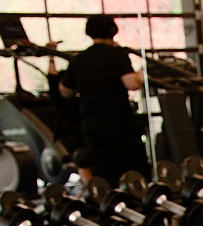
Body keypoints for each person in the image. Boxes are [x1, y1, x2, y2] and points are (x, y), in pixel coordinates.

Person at [59, 15, 149, 185]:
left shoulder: (79, 58)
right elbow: (132, 84)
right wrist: (142, 73)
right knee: (132, 167)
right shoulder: (117, 55)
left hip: (92, 124)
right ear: (113, 31)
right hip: (119, 121)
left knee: (104, 170)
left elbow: (65, 91)